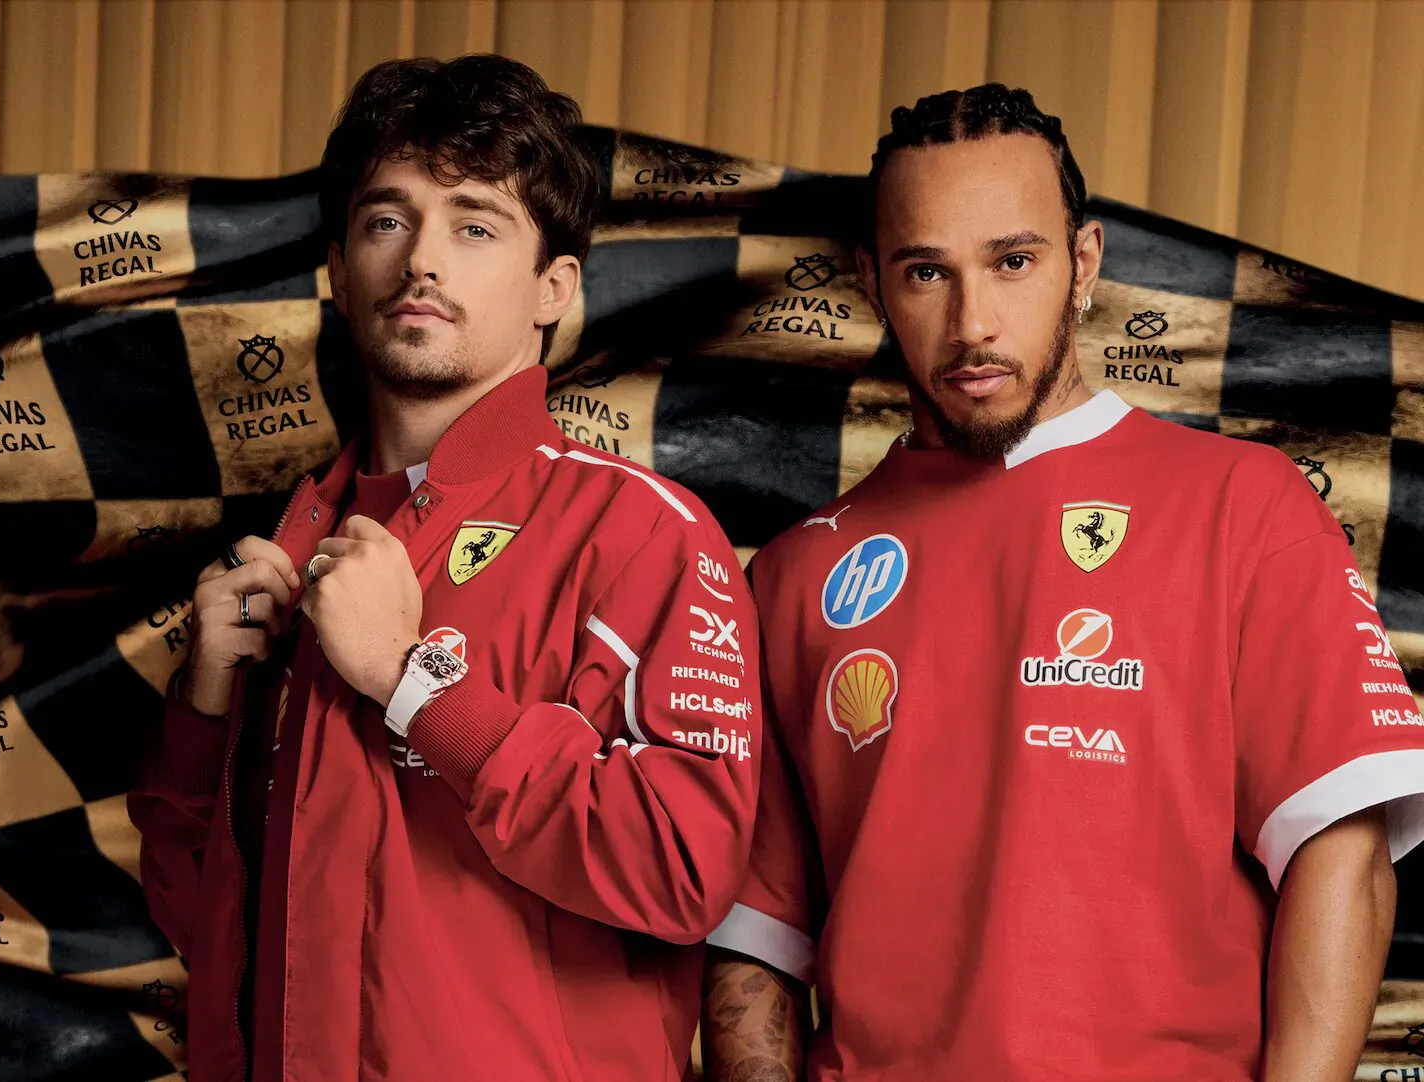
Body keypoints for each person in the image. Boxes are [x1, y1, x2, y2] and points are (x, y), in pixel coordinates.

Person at [700, 83, 1424, 1082]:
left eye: (1012, 261)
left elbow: (1340, 850)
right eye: (926, 271)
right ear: (872, 280)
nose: (972, 322)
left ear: (1082, 261)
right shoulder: (794, 574)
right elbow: (755, 945)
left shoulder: (1241, 504)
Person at [128, 54, 762, 1082]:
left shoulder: (642, 535)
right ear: (341, 268)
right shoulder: (293, 550)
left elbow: (684, 869)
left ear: (555, 286)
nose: (423, 258)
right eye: (389, 218)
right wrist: (205, 708)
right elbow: (196, 906)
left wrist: (416, 681)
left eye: (475, 224)